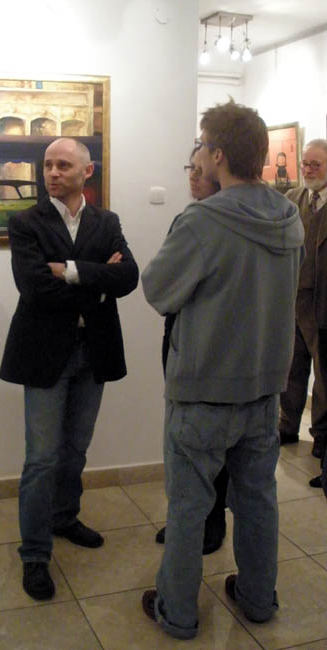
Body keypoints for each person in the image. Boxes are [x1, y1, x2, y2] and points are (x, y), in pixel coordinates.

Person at [141, 100, 304, 640]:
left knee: (189, 508)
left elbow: (158, 290)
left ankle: (178, 612)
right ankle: (258, 599)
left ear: (217, 155)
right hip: (265, 389)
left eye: (203, 146)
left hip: (204, 391)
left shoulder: (202, 220)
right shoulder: (290, 217)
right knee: (257, 501)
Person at [0, 137, 138, 601]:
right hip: (44, 352)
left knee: (76, 449)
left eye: (63, 165)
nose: (53, 173)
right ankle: (35, 553)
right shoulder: (26, 222)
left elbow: (129, 277)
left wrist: (72, 271)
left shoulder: (106, 221)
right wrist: (98, 278)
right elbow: (34, 287)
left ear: (87, 171)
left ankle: (64, 517)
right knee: (41, 458)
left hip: (93, 350)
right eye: (48, 165)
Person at [155, 147, 229, 555]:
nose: (193, 176)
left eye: (200, 169)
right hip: (179, 335)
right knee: (180, 436)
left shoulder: (224, 223)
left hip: (212, 345)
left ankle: (211, 522)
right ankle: (185, 520)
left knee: (211, 444)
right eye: (190, 168)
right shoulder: (187, 219)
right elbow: (164, 290)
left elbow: (169, 285)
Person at [279, 139, 327, 465]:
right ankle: (287, 425)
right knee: (291, 366)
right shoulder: (293, 199)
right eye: (305, 164)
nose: (308, 170)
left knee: (323, 374)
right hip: (293, 298)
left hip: (322, 303)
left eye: (315, 165)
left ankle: (321, 436)